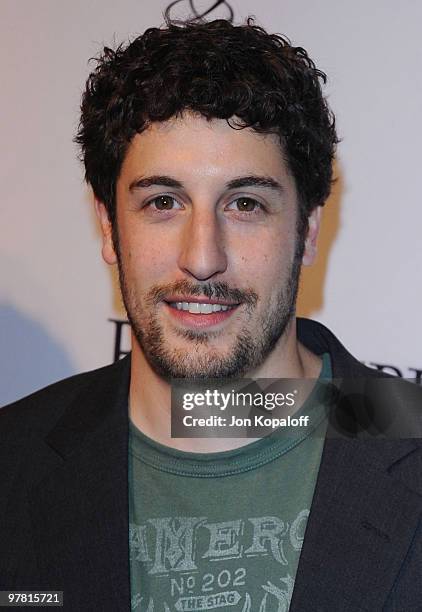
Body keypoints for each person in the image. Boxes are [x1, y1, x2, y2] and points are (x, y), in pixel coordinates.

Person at [1, 16, 421, 612]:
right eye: (163, 202)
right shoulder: (11, 463)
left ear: (306, 231)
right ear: (107, 226)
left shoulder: (409, 432)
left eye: (245, 203)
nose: (202, 258)